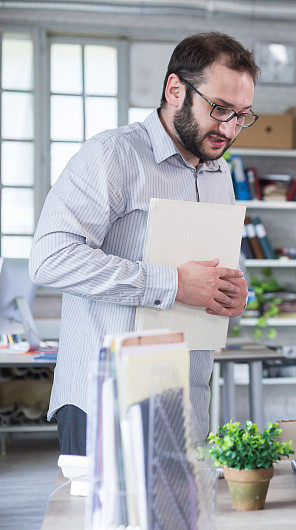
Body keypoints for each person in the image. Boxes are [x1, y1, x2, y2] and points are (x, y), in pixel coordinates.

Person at [29, 32, 258, 455]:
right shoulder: (110, 155)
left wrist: (231, 292)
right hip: (106, 399)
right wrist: (172, 283)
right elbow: (50, 258)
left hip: (186, 402)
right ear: (175, 90)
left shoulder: (218, 172)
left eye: (242, 115)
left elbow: (208, 273)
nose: (228, 128)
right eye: (219, 109)